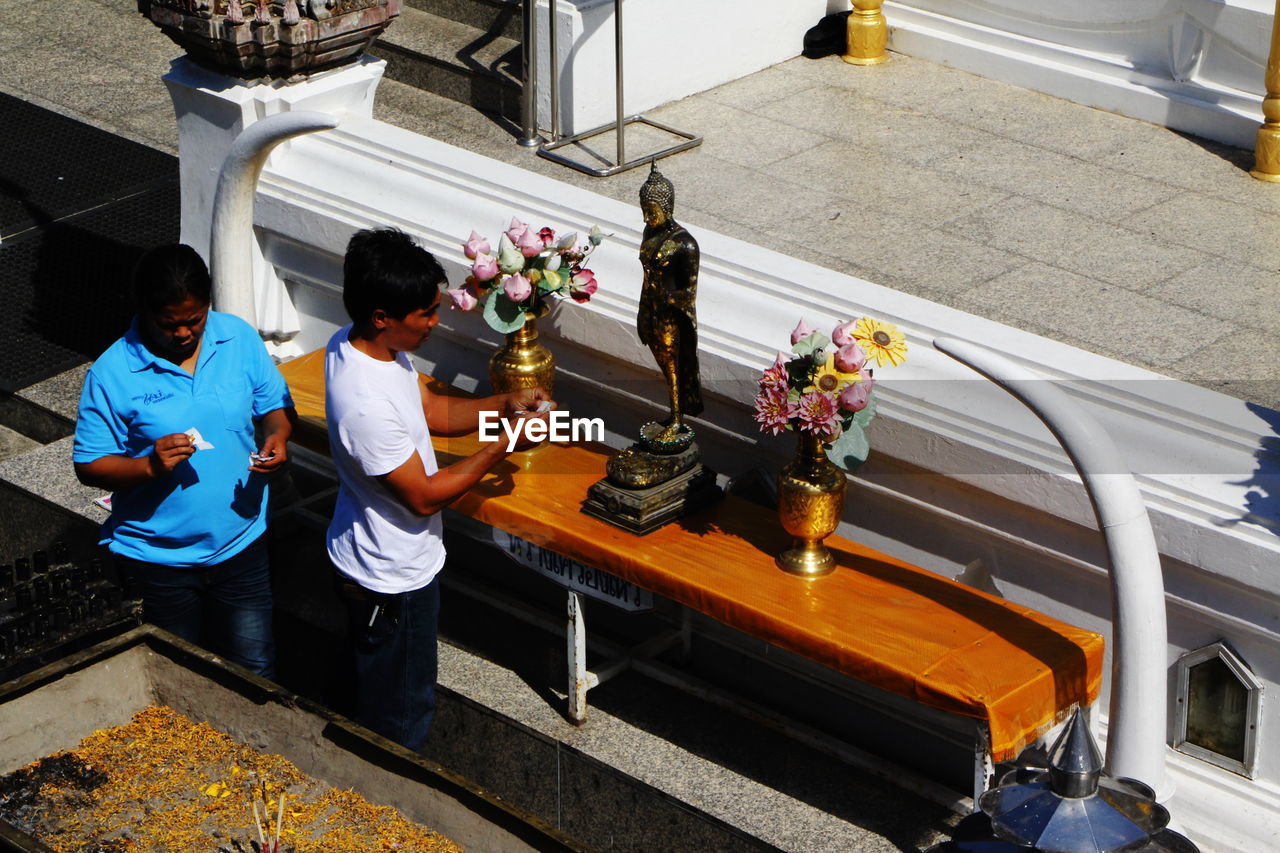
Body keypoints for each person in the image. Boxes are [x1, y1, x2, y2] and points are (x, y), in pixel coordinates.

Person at [326, 228, 552, 751]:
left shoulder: (364, 347)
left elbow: (430, 414)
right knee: (402, 712)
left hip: (380, 557)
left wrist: (506, 403)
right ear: (383, 317)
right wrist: (505, 444)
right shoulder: (366, 405)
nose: (435, 321)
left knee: (383, 690)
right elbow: (424, 495)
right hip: (390, 578)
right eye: (425, 313)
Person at [72, 243, 296, 677]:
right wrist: (148, 468)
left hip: (241, 544)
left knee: (254, 670)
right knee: (179, 678)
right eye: (168, 324)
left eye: (194, 320)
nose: (183, 334)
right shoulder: (112, 373)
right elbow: (89, 465)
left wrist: (278, 438)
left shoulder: (237, 338)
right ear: (144, 312)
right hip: (159, 561)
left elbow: (275, 410)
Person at [637, 163, 702, 443]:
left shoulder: (685, 244)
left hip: (670, 316)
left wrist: (667, 297)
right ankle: (673, 412)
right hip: (651, 311)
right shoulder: (649, 234)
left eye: (652, 211)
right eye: (645, 210)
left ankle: (677, 418)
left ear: (667, 208)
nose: (647, 217)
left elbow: (689, 291)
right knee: (663, 366)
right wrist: (642, 310)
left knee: (674, 366)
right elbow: (644, 277)